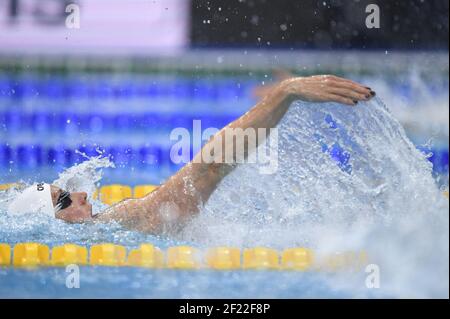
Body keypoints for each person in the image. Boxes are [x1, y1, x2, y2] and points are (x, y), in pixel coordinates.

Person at [7, 75, 375, 234]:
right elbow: (209, 169)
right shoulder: (114, 225)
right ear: (52, 223)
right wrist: (284, 93)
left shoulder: (105, 229)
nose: (84, 194)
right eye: (65, 199)